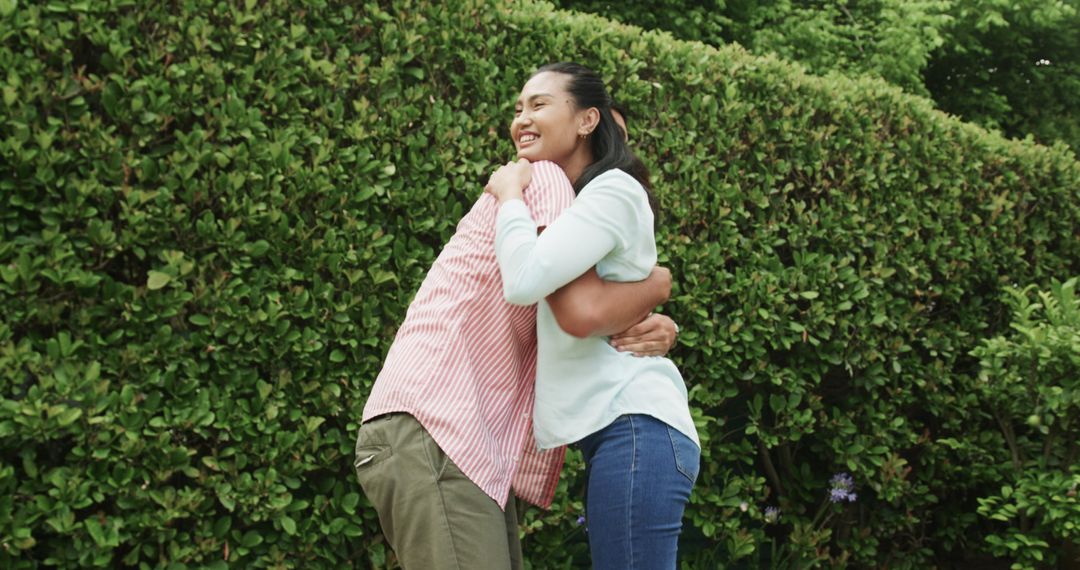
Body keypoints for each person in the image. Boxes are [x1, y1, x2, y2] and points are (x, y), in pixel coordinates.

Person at [353, 113, 681, 568]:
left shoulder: (572, 217)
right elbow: (579, 309)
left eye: (619, 142)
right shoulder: (545, 181)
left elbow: (587, 310)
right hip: (439, 425)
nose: (611, 154)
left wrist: (657, 319)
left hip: (466, 441)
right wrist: (656, 284)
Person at [486, 62, 700, 570]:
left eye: (539, 104)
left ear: (587, 121)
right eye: (518, 108)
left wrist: (510, 196)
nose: (522, 118)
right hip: (621, 431)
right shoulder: (574, 204)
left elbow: (526, 281)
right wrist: (659, 290)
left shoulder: (612, 189)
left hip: (635, 424)